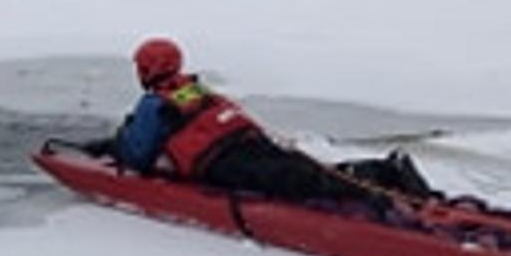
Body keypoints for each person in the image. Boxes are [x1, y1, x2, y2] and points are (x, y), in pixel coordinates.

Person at [83, 37, 440, 209]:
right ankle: (381, 173)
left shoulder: (152, 103)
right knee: (296, 170)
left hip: (220, 160)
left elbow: (138, 154)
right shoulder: (192, 88)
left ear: (146, 70)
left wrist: (118, 143)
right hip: (242, 140)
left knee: (295, 182)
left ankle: (378, 189)